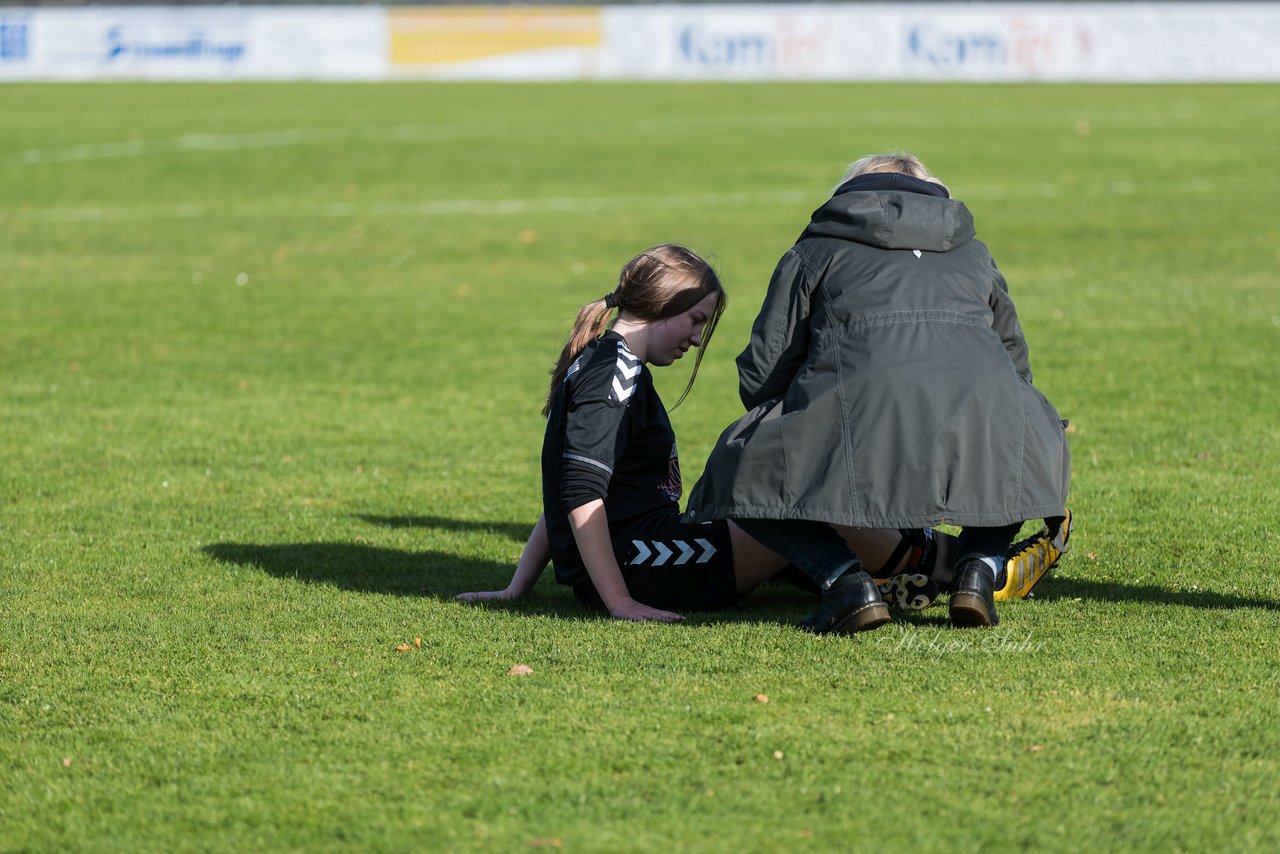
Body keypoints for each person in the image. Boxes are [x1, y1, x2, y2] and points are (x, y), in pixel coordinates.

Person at [455, 244, 965, 623]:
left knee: (783, 517)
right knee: (803, 507)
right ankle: (962, 565)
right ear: (663, 302)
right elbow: (579, 492)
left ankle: (897, 571)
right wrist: (620, 601)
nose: (698, 338)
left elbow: (562, 486)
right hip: (646, 562)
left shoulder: (600, 361)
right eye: (696, 320)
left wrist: (516, 589)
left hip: (646, 552)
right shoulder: (614, 375)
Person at [683, 153, 1071, 629]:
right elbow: (1015, 364)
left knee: (737, 465)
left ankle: (845, 582)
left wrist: (809, 422)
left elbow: (763, 373)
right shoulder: (974, 252)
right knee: (1014, 437)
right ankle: (977, 570)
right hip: (985, 411)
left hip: (860, 414)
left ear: (850, 194)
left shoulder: (816, 249)